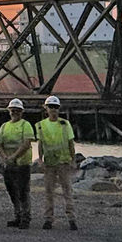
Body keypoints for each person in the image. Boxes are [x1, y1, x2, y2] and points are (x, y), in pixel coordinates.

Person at [37, 95, 78, 231]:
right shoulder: (41, 125)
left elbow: (70, 143)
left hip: (63, 162)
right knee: (49, 192)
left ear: (58, 109)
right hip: (49, 163)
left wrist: (73, 160)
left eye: (55, 107)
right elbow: (40, 143)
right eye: (51, 107)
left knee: (67, 191)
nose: (53, 110)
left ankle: (72, 219)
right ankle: (48, 219)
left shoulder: (65, 124)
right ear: (46, 109)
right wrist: (40, 159)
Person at [0, 98, 36, 228]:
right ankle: (17, 215)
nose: (15, 112)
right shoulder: (4, 126)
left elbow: (26, 144)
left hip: (22, 164)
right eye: (13, 110)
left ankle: (26, 218)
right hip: (8, 164)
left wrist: (13, 157)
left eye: (17, 110)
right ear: (9, 111)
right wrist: (5, 157)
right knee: (12, 191)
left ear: (22, 112)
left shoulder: (26, 125)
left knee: (23, 191)